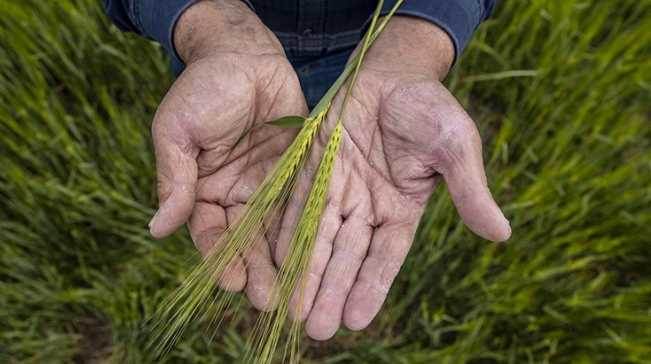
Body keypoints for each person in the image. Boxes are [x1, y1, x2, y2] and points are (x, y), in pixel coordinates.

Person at [104, 0, 511, 341]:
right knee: (259, 175)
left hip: (377, 42)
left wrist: (416, 43)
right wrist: (208, 24)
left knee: (317, 174)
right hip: (226, 56)